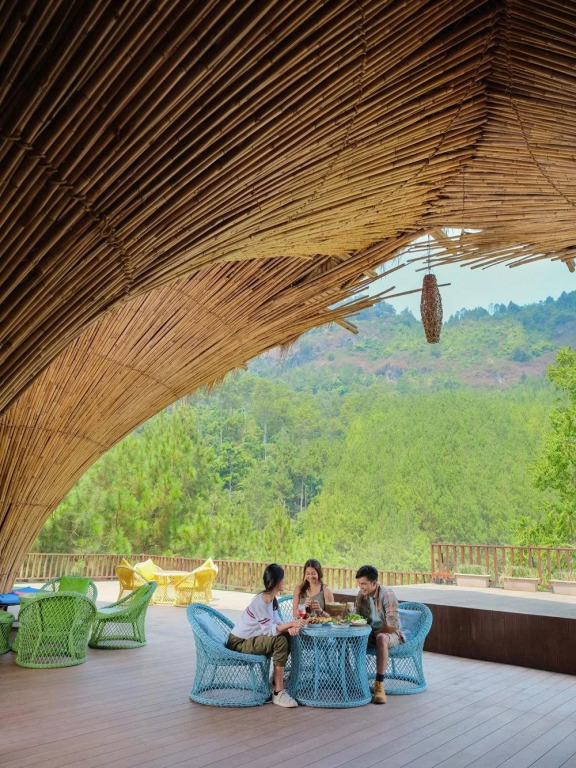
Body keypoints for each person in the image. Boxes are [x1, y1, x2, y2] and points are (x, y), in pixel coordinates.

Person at [227, 563, 305, 707]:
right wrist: (290, 624)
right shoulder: (261, 602)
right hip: (239, 642)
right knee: (279, 641)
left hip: (252, 639)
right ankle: (278, 692)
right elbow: (269, 631)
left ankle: (276, 681)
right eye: (283, 578)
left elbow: (277, 621)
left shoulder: (271, 599)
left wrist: (289, 628)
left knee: (286, 637)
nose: (285, 581)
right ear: (276, 581)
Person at [355, 564, 405, 704]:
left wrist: (375, 632)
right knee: (349, 639)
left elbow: (392, 626)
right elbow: (357, 618)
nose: (361, 587)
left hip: (391, 633)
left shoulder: (387, 595)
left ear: (374, 583)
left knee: (381, 638)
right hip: (370, 632)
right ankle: (354, 678)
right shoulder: (361, 595)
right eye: (359, 583)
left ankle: (379, 684)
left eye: (364, 584)